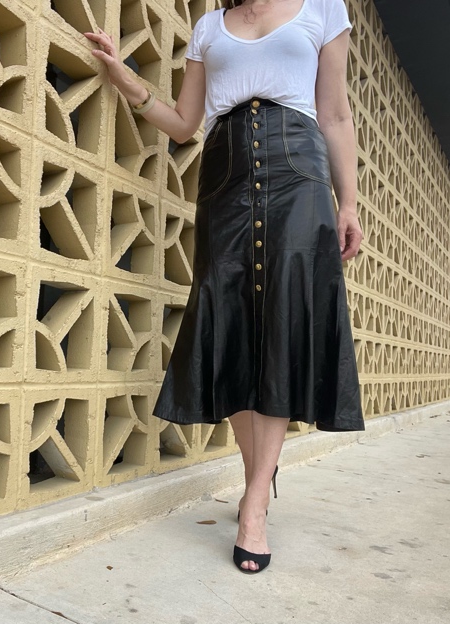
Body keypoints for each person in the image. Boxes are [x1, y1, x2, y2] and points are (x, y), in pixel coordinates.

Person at [85, 0, 365, 574]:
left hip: (298, 171)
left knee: (283, 324)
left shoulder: (322, 8)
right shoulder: (209, 26)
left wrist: (350, 200)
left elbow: (334, 113)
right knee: (233, 325)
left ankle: (254, 504)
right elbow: (186, 123)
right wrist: (122, 77)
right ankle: (259, 473)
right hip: (225, 175)